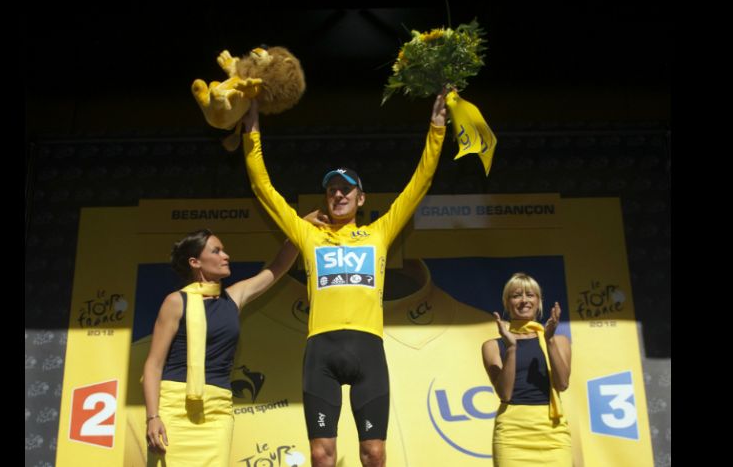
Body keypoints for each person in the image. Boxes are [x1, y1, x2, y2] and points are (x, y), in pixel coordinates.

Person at [241, 89, 449, 467]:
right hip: (321, 351)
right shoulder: (310, 234)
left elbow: (420, 183)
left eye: (346, 189)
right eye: (332, 189)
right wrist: (251, 131)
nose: (338, 194)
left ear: (361, 198)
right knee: (322, 455)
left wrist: (436, 128)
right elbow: (263, 189)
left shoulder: (379, 233)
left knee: (374, 453)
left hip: (368, 351)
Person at [142, 229, 299, 467]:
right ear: (195, 262)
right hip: (174, 407)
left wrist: (301, 228)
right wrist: (153, 417)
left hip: (217, 411)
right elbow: (153, 366)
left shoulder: (233, 298)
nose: (226, 255)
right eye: (216, 251)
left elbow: (278, 266)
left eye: (224, 249)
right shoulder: (175, 302)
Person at [481, 273, 572, 466]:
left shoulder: (559, 341)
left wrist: (549, 341)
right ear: (507, 303)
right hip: (512, 433)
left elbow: (562, 384)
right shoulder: (492, 346)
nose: (524, 300)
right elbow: (504, 393)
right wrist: (512, 348)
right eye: (516, 295)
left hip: (552, 431)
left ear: (539, 301)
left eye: (530, 295)